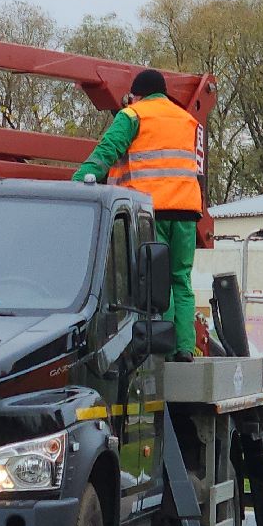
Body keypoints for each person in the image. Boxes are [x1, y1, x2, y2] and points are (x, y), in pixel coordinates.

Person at [72, 68, 206, 361]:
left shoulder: (133, 115)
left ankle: (162, 348)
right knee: (179, 279)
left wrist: (79, 182)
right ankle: (184, 347)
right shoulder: (188, 121)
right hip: (186, 212)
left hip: (151, 210)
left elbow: (108, 150)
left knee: (151, 282)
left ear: (136, 94)